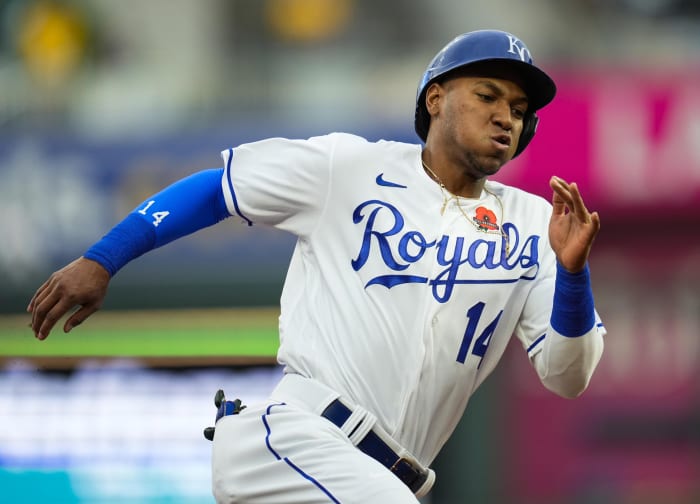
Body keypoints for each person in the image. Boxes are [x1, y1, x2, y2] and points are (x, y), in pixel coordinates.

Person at [28, 29, 606, 503]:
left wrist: (573, 275)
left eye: (519, 110)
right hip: (296, 442)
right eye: (488, 96)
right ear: (435, 99)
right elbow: (217, 188)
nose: (506, 117)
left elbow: (567, 374)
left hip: (382, 479)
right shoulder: (349, 168)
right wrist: (103, 259)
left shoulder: (537, 223)